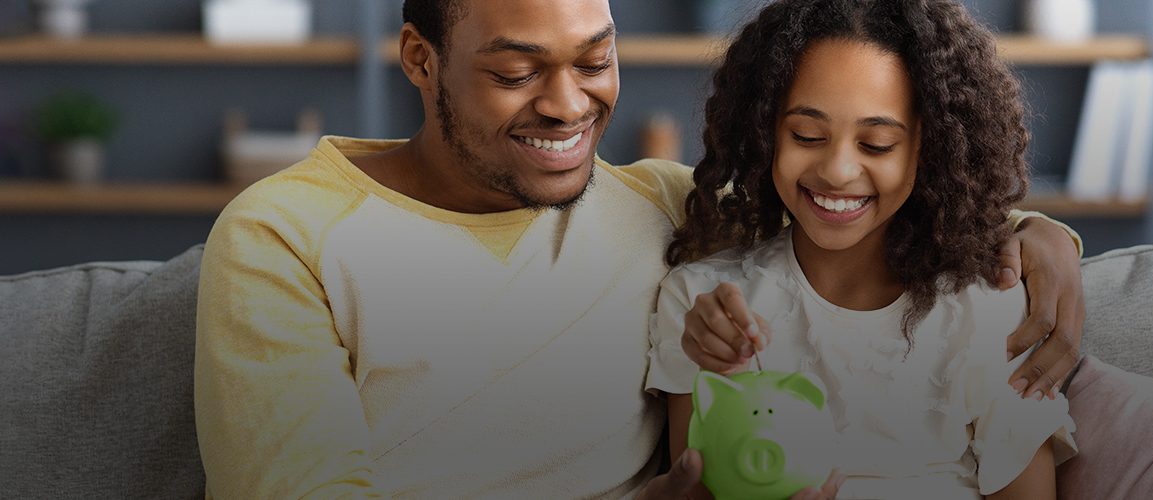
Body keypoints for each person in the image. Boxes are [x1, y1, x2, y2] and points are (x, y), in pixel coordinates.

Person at [193, 0, 1085, 498]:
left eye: (595, 59)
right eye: (516, 73)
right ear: (420, 59)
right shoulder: (286, 236)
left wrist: (1037, 238)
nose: (569, 104)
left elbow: (848, 204)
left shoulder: (656, 202)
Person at [647, 1, 1077, 499]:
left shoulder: (988, 310)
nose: (836, 170)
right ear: (764, 129)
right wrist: (723, 377)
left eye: (875, 144)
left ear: (930, 146)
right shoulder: (701, 303)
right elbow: (694, 486)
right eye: (807, 135)